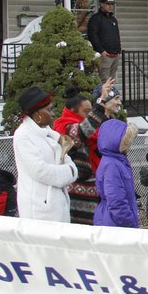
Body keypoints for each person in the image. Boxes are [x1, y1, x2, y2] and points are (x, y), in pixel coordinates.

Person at [12, 86, 78, 222]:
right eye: (49, 110)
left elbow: (66, 158)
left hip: (57, 203)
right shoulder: (23, 135)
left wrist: (70, 170)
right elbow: (40, 171)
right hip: (39, 208)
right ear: (37, 115)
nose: (53, 113)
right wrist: (69, 172)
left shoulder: (50, 133)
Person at [52, 85, 99, 225]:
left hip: (91, 186)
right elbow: (81, 133)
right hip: (75, 188)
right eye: (87, 112)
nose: (89, 115)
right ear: (73, 111)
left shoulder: (80, 125)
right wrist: (101, 108)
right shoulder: (65, 126)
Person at [93, 120, 140, 228]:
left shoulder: (114, 161)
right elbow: (116, 201)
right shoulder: (112, 165)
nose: (129, 144)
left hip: (112, 221)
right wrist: (129, 223)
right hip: (115, 225)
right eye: (126, 140)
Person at [77, 79, 122, 173]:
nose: (119, 103)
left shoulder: (111, 121)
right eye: (116, 98)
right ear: (105, 102)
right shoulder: (94, 123)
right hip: (100, 171)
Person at [87, 0, 121, 82]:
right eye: (108, 4)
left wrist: (118, 50)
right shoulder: (96, 19)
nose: (110, 6)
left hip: (115, 55)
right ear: (102, 4)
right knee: (104, 81)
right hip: (104, 55)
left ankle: (110, 96)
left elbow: (117, 35)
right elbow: (92, 36)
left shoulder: (113, 20)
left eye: (112, 4)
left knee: (111, 81)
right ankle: (104, 96)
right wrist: (101, 51)